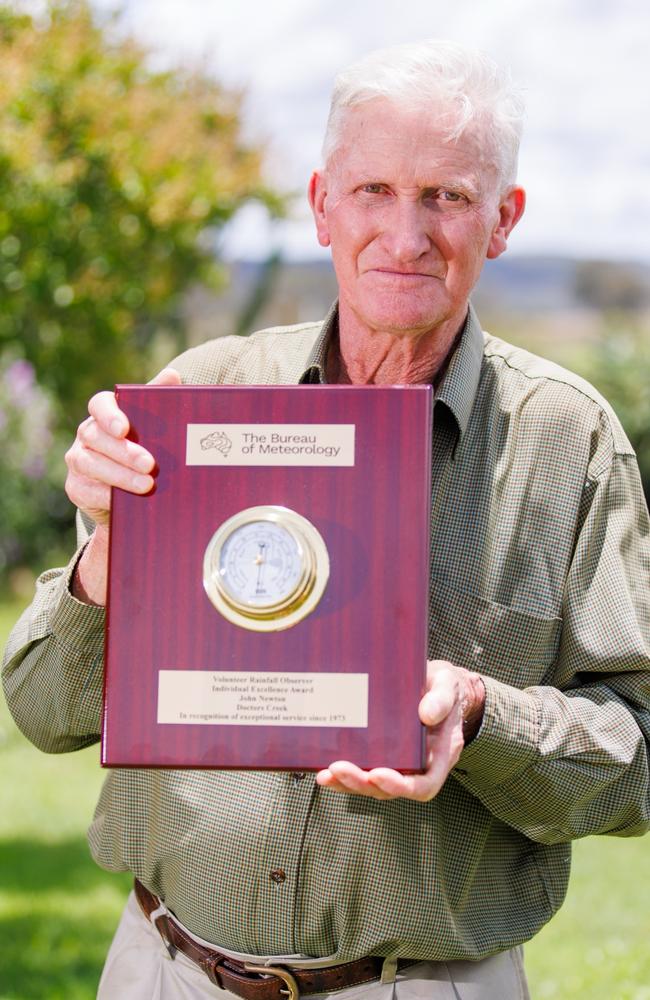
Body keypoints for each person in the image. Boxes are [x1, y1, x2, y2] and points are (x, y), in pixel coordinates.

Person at [3, 38, 650, 1000]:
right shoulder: (200, 401)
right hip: (161, 971)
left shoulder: (571, 442)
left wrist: (481, 715)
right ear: (320, 205)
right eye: (375, 190)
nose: (406, 234)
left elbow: (638, 759)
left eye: (448, 197)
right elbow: (43, 710)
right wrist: (105, 555)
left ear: (504, 221)